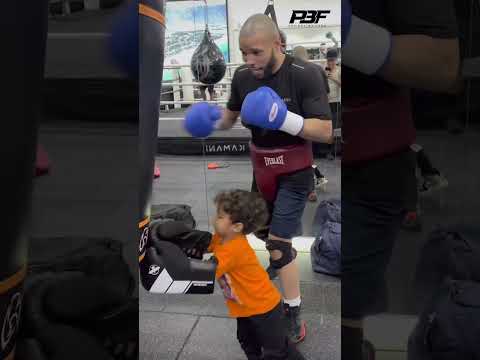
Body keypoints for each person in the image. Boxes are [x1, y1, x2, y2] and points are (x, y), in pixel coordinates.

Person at [183, 13, 333, 343]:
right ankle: (280, 260)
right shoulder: (242, 76)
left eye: (257, 52)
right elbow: (229, 118)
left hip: (295, 170)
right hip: (261, 168)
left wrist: (284, 119)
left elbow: (324, 131)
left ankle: (292, 311)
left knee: (279, 245)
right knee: (261, 234)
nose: (250, 60)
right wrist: (208, 119)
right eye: (244, 52)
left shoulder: (305, 74)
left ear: (277, 44)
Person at [341, 0, 461, 359]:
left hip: (367, 169)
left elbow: (443, 64)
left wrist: (350, 35)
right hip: (306, 162)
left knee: (348, 305)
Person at [208, 190, 306, 360]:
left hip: (264, 309)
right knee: (247, 340)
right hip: (245, 308)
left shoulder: (233, 249)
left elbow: (207, 270)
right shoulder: (223, 237)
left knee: (275, 352)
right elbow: (207, 244)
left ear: (237, 227)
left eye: (219, 216)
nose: (214, 218)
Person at [291, 45, 330, 202]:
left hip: (301, 119)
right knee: (307, 155)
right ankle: (317, 179)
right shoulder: (318, 69)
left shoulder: (292, 71)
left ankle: (312, 187)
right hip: (320, 118)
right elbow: (325, 93)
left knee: (303, 155)